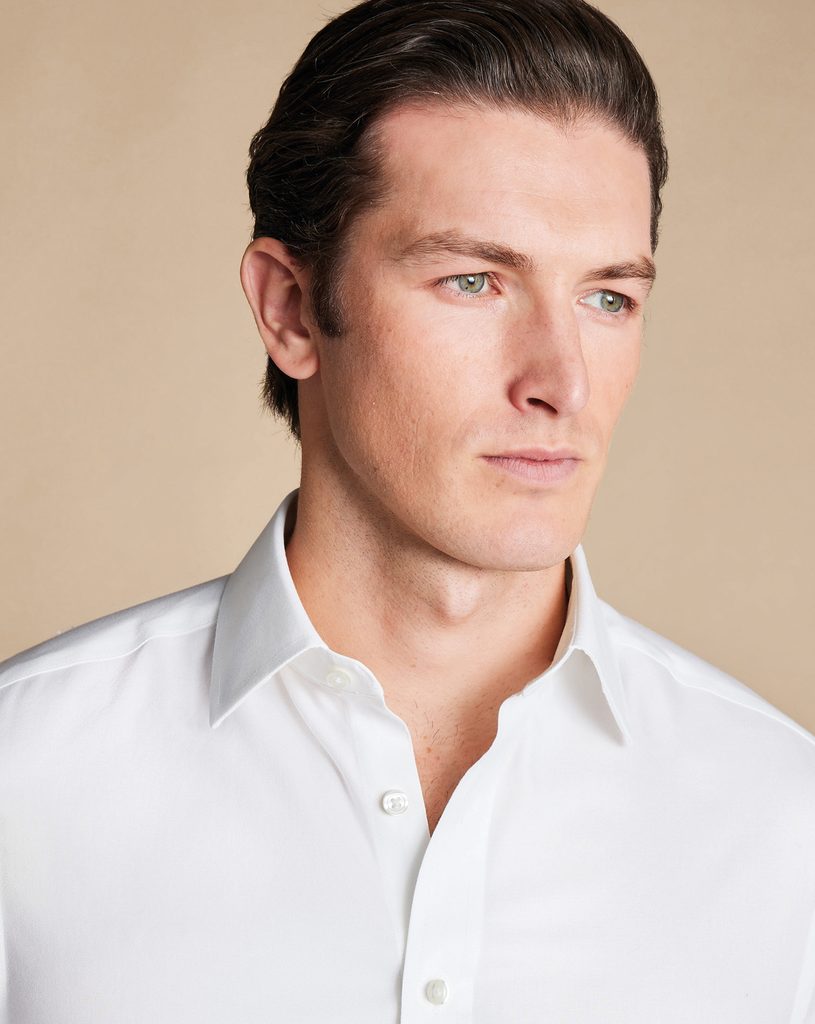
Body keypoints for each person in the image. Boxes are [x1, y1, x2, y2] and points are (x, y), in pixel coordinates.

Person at [1, 0, 813, 1019]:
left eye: (606, 297)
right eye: (474, 281)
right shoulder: (25, 778)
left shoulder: (781, 820)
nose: (561, 382)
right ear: (291, 309)